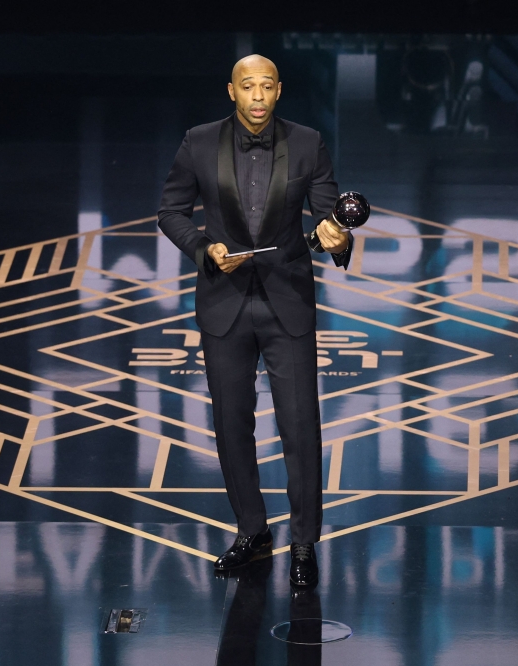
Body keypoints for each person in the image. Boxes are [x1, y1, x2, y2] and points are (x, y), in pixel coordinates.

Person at [157, 54, 353, 588]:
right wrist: (204, 249)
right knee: (230, 427)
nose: (259, 96)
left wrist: (337, 236)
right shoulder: (198, 142)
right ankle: (252, 529)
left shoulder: (309, 143)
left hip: (286, 301)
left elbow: (328, 217)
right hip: (224, 302)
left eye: (268, 87)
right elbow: (170, 211)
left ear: (280, 90)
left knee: (300, 427)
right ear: (231, 91)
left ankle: (305, 542)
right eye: (249, 87)